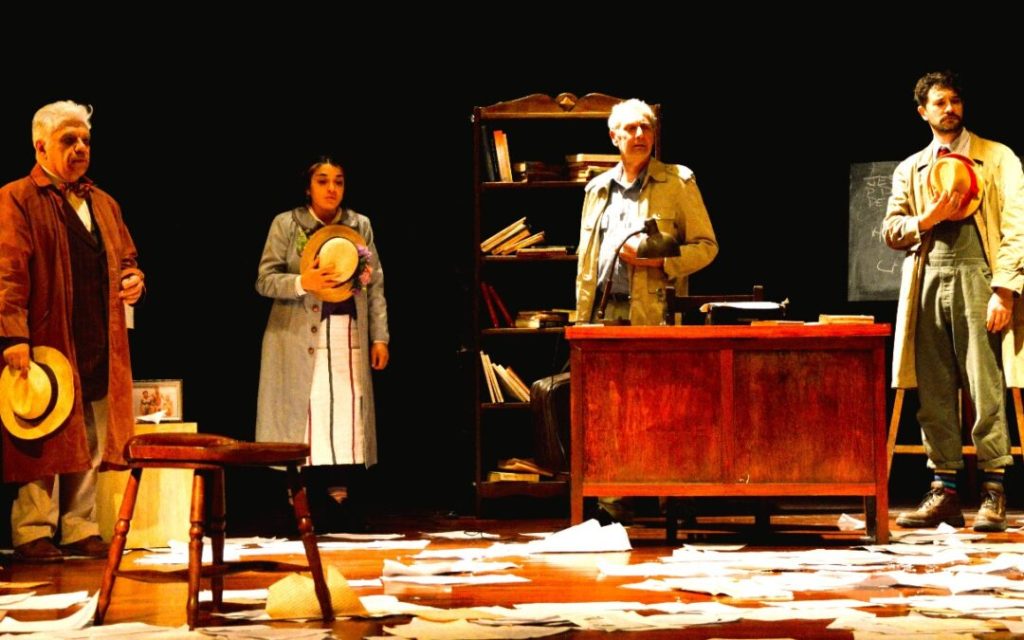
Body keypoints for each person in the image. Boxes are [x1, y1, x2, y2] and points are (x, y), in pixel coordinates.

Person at [0, 100, 144, 562]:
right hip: (47, 335)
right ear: (41, 146)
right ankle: (32, 530)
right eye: (69, 140)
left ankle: (80, 525)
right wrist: (13, 335)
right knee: (41, 432)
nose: (80, 148)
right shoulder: (17, 197)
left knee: (91, 432)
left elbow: (127, 258)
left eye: (85, 140)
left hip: (97, 333)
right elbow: (7, 272)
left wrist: (134, 279)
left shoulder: (103, 203)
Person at [884, 71, 1024, 532]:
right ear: (922, 112)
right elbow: (891, 230)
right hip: (928, 279)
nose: (949, 109)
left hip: (979, 277)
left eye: (955, 101)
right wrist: (926, 218)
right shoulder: (911, 168)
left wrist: (1004, 289)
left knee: (985, 382)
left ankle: (993, 488)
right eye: (940, 102)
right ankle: (943, 489)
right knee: (934, 386)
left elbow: (1017, 227)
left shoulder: (997, 157)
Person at [575, 99, 718, 521]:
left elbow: (707, 247)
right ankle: (611, 504)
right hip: (604, 318)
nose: (639, 135)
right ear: (613, 137)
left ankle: (671, 497)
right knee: (607, 413)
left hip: (654, 315)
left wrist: (658, 261)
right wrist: (581, 320)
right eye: (630, 129)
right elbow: (586, 262)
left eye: (646, 128)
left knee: (664, 410)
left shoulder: (677, 181)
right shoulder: (596, 189)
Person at [255, 157, 389, 531]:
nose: (331, 188)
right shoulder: (287, 224)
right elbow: (265, 279)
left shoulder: (359, 225)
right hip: (298, 337)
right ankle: (296, 499)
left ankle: (339, 497)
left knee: (344, 414)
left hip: (348, 334)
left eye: (338, 181)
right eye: (323, 180)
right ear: (308, 186)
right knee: (304, 415)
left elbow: (375, 284)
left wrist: (379, 337)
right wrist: (303, 283)